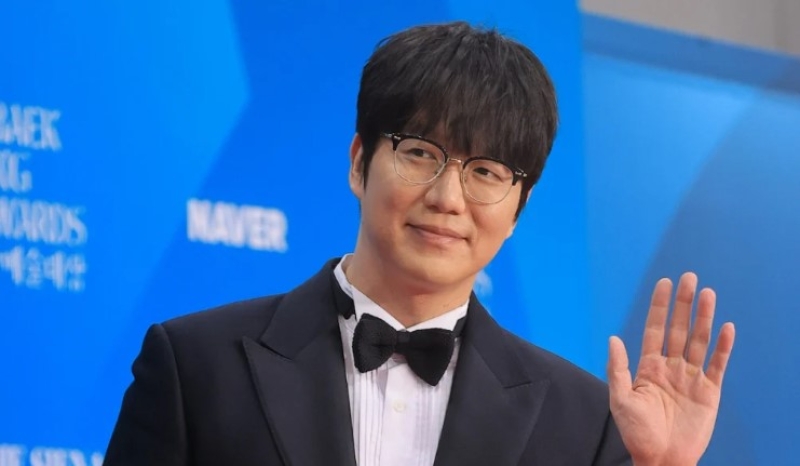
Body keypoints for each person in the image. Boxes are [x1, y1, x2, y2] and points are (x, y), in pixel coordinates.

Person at [104, 21, 735, 466]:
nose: (448, 197)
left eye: (486, 171)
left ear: (519, 208)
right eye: (421, 153)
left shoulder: (586, 422)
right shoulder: (196, 367)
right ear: (360, 161)